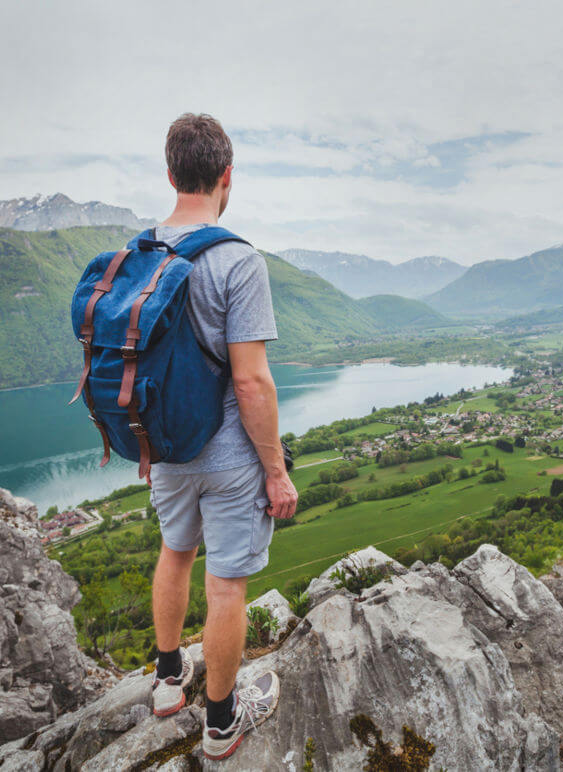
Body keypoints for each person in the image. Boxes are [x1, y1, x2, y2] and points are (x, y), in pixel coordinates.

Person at [148, 113, 298, 761]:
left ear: (171, 172)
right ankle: (220, 721)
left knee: (175, 551)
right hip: (231, 455)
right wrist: (275, 470)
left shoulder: (139, 254)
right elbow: (252, 384)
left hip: (164, 447)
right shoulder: (237, 260)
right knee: (227, 585)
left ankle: (165, 679)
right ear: (227, 176)